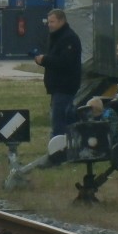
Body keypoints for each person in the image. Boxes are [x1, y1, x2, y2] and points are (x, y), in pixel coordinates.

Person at [33, 8, 82, 140]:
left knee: (59, 121)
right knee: (68, 119)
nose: (49, 24)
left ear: (61, 21)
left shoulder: (69, 38)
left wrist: (45, 60)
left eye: (52, 22)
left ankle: (58, 148)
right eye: (48, 22)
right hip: (57, 87)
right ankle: (73, 145)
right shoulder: (56, 37)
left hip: (65, 86)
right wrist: (43, 61)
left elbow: (66, 62)